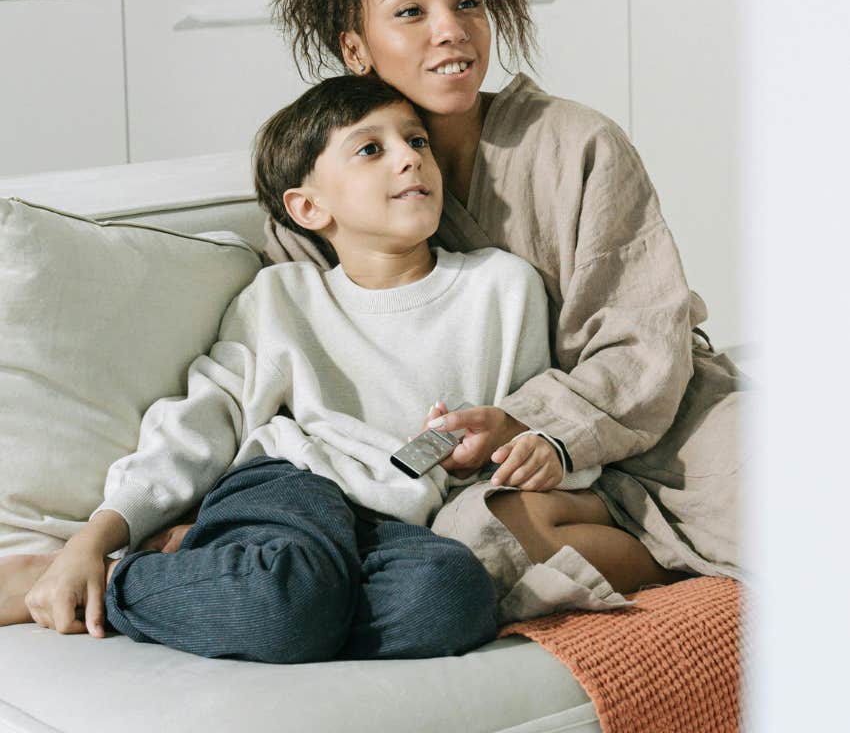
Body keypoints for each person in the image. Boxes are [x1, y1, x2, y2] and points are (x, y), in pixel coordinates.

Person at [266, 0, 748, 620]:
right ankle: (664, 566)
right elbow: (310, 349)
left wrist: (540, 424)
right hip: (501, 471)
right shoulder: (328, 191)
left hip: (666, 429)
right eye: (411, 11)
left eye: (468, 2)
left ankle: (680, 559)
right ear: (355, 48)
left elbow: (646, 342)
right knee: (469, 545)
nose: (451, 30)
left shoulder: (577, 143)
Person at [0, 73, 627, 657]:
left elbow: (523, 419)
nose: (410, 156)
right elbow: (203, 419)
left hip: (399, 514)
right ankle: (115, 582)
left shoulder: (504, 286)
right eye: (369, 150)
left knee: (452, 595)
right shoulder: (281, 297)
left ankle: (242, 586)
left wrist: (517, 439)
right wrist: (98, 535)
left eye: (415, 141)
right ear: (307, 208)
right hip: (292, 484)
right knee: (293, 593)